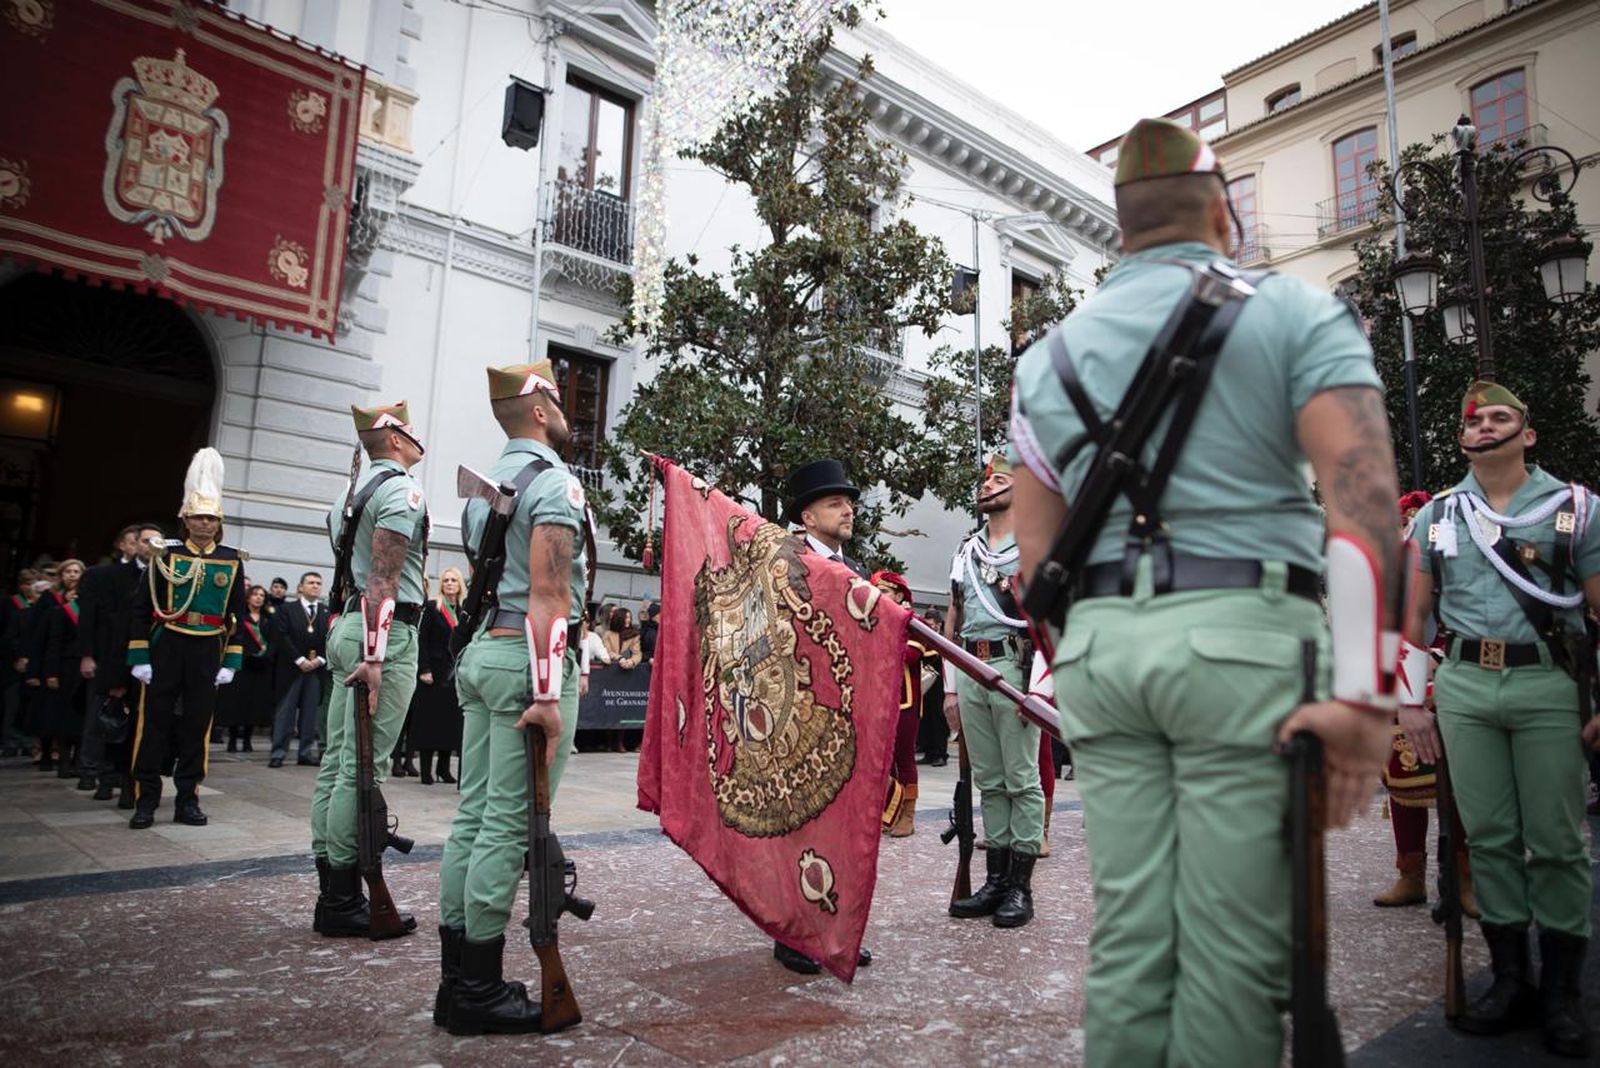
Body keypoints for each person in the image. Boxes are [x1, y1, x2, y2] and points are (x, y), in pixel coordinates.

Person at [1008, 117, 1400, 1066]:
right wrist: (1366, 694)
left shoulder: (1045, 359)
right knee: (1232, 954)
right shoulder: (1296, 312)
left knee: (1133, 940)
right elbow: (1367, 509)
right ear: (1223, 211)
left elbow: (1032, 570)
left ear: (1122, 226)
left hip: (1103, 654)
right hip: (1243, 640)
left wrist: (1100, 653)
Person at [1401, 380, 1599, 1058]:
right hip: (1463, 685)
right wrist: (1407, 701)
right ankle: (1510, 978)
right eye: (1475, 420)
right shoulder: (1440, 517)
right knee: (1486, 838)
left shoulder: (1575, 509)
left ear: (1527, 432)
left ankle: (1563, 991)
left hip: (1546, 682)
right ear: (1462, 439)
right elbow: (1414, 617)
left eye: (1500, 417)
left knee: (1555, 839)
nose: (1484, 426)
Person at [437, 361, 587, 1035]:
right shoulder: (552, 482)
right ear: (537, 408)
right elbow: (551, 595)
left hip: (484, 655)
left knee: (473, 819)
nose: (564, 408)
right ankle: (480, 989)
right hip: (529, 661)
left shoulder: (484, 489)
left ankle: (457, 978)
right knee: (507, 826)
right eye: (556, 397)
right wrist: (550, 693)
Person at [309, 402, 429, 939]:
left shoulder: (348, 495)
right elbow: (384, 578)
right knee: (363, 767)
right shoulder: (401, 490)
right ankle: (341, 898)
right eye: (411, 430)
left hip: (347, 628)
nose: (418, 438)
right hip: (382, 632)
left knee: (338, 763)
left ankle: (330, 887)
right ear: (396, 439)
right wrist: (377, 655)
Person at [768, 457, 874, 974]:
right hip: (799, 717)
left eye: (849, 501)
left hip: (846, 719)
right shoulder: (787, 562)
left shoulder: (853, 569)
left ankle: (835, 928)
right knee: (801, 830)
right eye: (835, 502)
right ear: (807, 517)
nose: (848, 508)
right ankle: (794, 933)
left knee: (842, 829)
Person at [941, 453, 1043, 930]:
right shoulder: (966, 551)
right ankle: (995, 879)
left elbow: (1051, 620)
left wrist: (1042, 687)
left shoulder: (1036, 547)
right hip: (970, 665)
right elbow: (951, 619)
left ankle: (1020, 885)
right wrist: (950, 688)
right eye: (985, 482)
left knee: (1021, 779)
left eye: (1001, 481)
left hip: (1015, 665)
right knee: (990, 781)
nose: (987, 488)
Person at [127, 449, 247, 829]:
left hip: (207, 645)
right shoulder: (165, 556)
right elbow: (141, 609)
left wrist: (231, 661)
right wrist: (140, 656)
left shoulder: (230, 559)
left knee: (197, 727)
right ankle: (145, 799)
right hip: (169, 643)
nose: (205, 524)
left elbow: (237, 615)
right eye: (198, 517)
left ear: (219, 522)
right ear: (186, 519)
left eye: (211, 518)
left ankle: (188, 799)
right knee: (155, 724)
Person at [1373, 490, 1476, 915]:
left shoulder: (1458, 564)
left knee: (1463, 785)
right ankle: (1410, 874)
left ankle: (1465, 878)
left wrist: (1440, 655)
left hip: (1453, 677)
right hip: (1399, 681)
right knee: (1402, 781)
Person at [75, 525, 154, 796]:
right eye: (143, 541)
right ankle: (98, 774)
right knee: (106, 719)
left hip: (148, 662)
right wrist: (88, 654)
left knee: (135, 724)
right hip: (113, 657)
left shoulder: (162, 576)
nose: (148, 546)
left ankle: (127, 777)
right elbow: (92, 621)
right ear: (126, 544)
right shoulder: (105, 575)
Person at [872, 569, 926, 838]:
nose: (878, 596)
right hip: (877, 699)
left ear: (898, 595)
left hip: (905, 702)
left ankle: (908, 814)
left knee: (904, 758)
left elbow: (913, 654)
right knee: (883, 760)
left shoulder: (911, 621)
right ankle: (888, 811)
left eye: (884, 592)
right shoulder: (871, 621)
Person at [268, 572, 329, 768]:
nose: (315, 586)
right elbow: (281, 636)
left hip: (316, 670)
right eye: (310, 583)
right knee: (285, 712)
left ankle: (305, 752)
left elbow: (330, 639)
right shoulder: (287, 609)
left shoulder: (325, 612)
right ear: (301, 587)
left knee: (311, 714)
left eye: (318, 583)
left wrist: (319, 659)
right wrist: (300, 659)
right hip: (291, 668)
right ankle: (278, 752)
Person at [411, 567, 465, 785]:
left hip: (453, 674)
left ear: (460, 585)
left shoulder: (463, 611)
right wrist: (423, 669)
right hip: (433, 671)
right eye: (446, 580)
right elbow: (421, 640)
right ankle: (426, 770)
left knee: (448, 723)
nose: (449, 583)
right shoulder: (433, 608)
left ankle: (444, 768)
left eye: (454, 580)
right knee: (429, 722)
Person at [32, 559, 86, 779]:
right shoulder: (54, 605)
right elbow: (51, 642)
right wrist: (49, 672)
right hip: (63, 665)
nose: (73, 575)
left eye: (77, 572)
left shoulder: (88, 604)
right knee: (58, 713)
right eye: (69, 571)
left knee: (80, 715)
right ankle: (54, 755)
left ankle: (76, 760)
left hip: (83, 665)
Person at [218, 585, 274, 753]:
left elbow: (273, 640)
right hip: (242, 665)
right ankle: (233, 739)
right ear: (248, 597)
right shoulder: (241, 617)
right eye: (255, 594)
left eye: (262, 595)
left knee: (254, 704)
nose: (258, 598)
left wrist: (264, 655)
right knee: (237, 703)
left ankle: (248, 739)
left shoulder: (268, 618)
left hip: (260, 667)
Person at [639, 601, 660, 665]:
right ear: (652, 616)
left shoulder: (659, 630)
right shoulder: (646, 631)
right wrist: (648, 659)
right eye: (659, 614)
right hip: (646, 666)